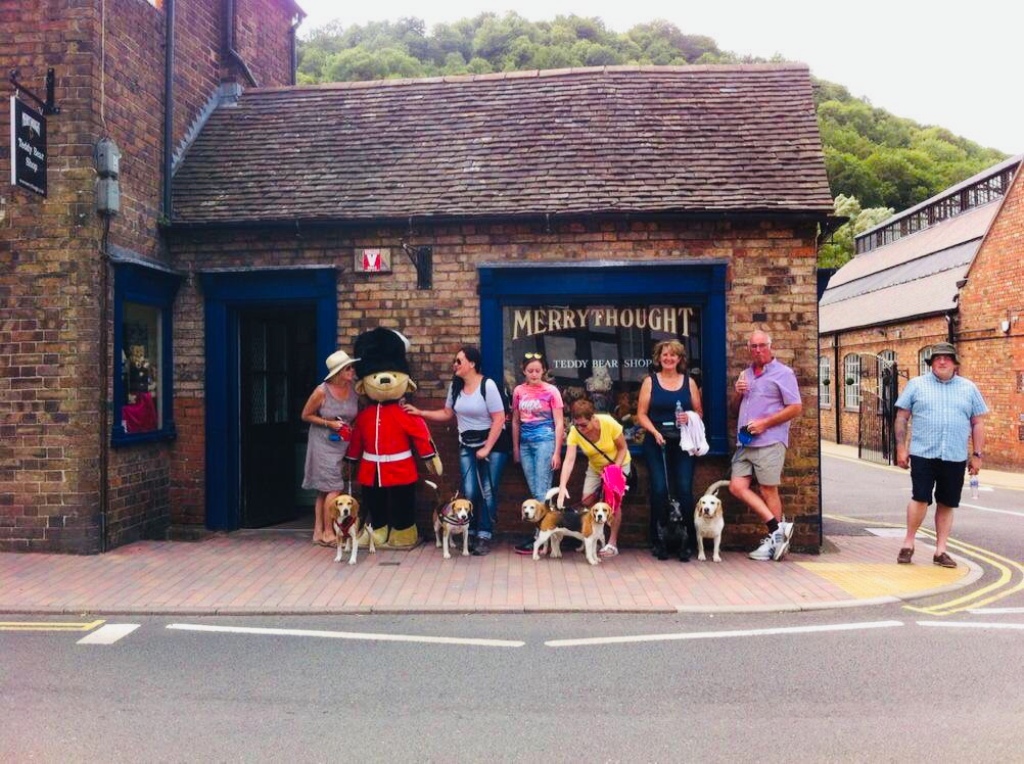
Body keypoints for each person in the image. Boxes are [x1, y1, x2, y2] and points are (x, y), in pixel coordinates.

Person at [403, 346, 509, 556]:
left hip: (493, 444)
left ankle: (484, 535)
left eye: (459, 361)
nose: (455, 364)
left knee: (488, 490)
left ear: (472, 364)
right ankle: (470, 530)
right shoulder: (455, 386)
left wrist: (487, 448)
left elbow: (499, 418)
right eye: (455, 361)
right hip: (467, 444)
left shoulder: (487, 385)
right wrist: (420, 412)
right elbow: (447, 413)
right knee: (469, 491)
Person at [894, 341, 987, 568]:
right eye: (937, 358)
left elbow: (977, 423)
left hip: (955, 455)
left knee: (947, 502)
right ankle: (908, 544)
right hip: (923, 453)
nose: (942, 361)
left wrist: (977, 455)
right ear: (931, 363)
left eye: (947, 358)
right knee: (920, 497)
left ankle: (941, 550)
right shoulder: (916, 385)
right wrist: (901, 448)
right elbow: (901, 417)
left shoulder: (968, 388)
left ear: (955, 363)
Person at [728, 330, 802, 561]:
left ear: (770, 346)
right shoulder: (746, 374)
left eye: (762, 345)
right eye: (754, 346)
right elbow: (734, 410)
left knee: (768, 489)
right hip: (745, 442)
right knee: (736, 487)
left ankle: (775, 543)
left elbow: (795, 407)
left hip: (770, 440)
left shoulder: (784, 373)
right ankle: (777, 529)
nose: (758, 350)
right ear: (748, 349)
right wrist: (738, 394)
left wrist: (764, 423)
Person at [636, 339, 704, 560]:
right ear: (659, 358)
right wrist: (654, 432)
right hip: (656, 441)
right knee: (659, 489)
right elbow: (641, 414)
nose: (668, 358)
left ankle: (687, 541)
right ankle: (658, 540)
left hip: (683, 441)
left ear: (680, 358)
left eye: (673, 355)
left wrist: (689, 417)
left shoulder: (689, 382)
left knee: (684, 489)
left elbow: (699, 412)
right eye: (664, 354)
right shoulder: (650, 382)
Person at [556, 398, 632, 557]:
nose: (580, 428)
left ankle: (612, 543)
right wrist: (562, 486)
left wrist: (614, 470)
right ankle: (591, 535)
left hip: (618, 463)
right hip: (596, 467)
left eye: (584, 425)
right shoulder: (575, 432)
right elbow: (569, 459)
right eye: (577, 424)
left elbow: (622, 448)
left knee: (613, 502)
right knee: (586, 501)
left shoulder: (608, 423)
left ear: (593, 418)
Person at [301, 349, 359, 546]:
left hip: (342, 442)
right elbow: (305, 415)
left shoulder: (354, 389)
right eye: (348, 368)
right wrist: (329, 423)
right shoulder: (321, 391)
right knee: (334, 487)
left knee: (324, 490)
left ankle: (318, 532)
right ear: (338, 372)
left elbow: (357, 411)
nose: (352, 371)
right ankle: (328, 532)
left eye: (352, 367)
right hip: (322, 443)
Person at [511, 353, 565, 554]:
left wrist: (557, 452)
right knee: (536, 490)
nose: (534, 374)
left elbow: (559, 423)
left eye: (538, 370)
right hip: (526, 443)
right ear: (524, 371)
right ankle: (548, 534)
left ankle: (540, 537)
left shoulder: (552, 391)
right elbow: (515, 421)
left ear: (544, 371)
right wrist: (516, 447)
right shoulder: (519, 391)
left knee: (541, 491)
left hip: (545, 442)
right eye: (530, 371)